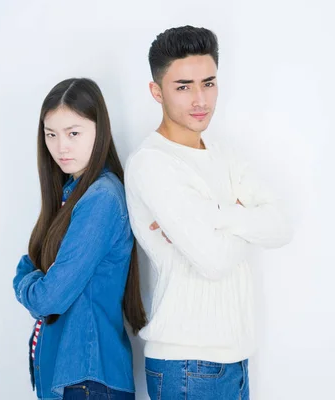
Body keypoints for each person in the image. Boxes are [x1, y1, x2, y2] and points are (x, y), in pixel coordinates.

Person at [125, 26, 293, 400]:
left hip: (236, 360)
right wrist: (246, 218)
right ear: (157, 92)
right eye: (183, 86)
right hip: (187, 365)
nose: (200, 99)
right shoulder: (153, 164)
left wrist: (217, 216)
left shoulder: (224, 153)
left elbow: (282, 226)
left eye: (209, 83)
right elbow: (214, 260)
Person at [13, 78, 146, 400]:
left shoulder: (101, 198)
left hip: (87, 379)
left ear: (99, 130)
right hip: (75, 375)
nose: (61, 147)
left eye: (74, 133)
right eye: (51, 135)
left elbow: (49, 298)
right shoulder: (70, 195)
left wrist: (24, 280)